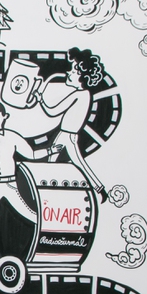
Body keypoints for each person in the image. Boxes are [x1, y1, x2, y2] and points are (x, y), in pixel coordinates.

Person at [0, 101, 62, 261]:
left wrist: (50, 150)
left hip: (9, 184)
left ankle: (49, 236)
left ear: (4, 116)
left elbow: (31, 154)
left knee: (29, 214)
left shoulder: (12, 137)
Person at [33, 47, 108, 203]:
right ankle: (98, 189)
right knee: (60, 163)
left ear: (82, 76)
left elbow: (53, 111)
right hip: (66, 135)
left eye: (73, 70)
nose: (68, 72)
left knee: (62, 164)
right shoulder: (85, 95)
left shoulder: (79, 95)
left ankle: (50, 194)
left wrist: (40, 99)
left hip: (67, 135)